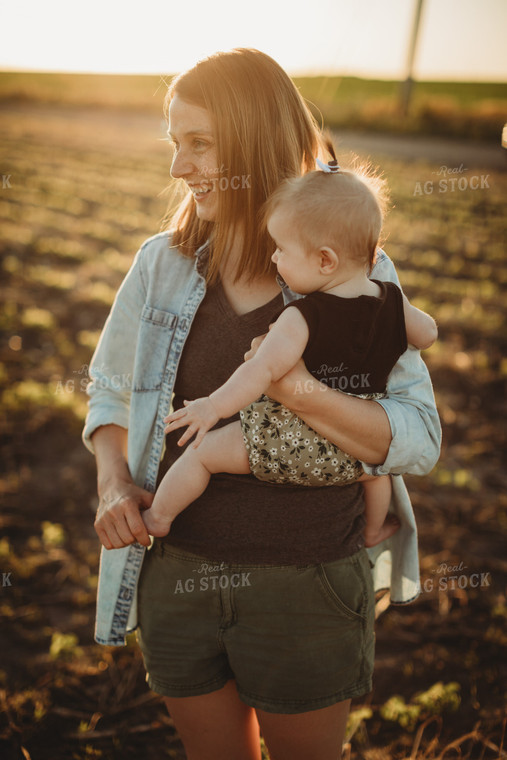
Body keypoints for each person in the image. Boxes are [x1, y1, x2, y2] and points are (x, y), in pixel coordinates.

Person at [83, 48, 441, 760]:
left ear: (253, 141)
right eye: (173, 144)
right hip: (176, 576)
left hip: (306, 586)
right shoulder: (162, 263)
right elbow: (108, 392)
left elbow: (415, 438)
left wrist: (296, 389)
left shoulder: (349, 272)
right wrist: (113, 482)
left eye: (199, 145)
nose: (178, 168)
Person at [142, 157, 437, 549]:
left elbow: (262, 370)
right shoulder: (393, 302)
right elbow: (429, 333)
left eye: (281, 249)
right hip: (350, 455)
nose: (274, 258)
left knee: (202, 455)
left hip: (285, 442)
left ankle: (159, 519)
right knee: (381, 475)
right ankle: (371, 532)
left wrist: (212, 407)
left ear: (325, 260)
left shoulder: (300, 316)